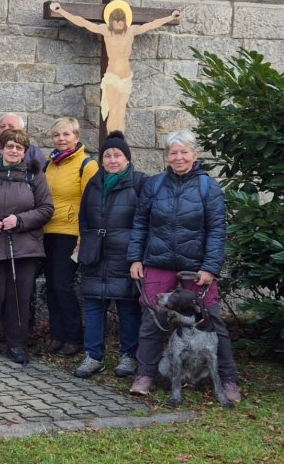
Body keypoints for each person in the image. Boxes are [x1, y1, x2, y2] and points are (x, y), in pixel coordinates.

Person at [127, 130, 241, 403]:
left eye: (183, 152)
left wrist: (210, 268)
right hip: (158, 261)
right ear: (167, 156)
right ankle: (145, 374)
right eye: (173, 153)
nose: (178, 157)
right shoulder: (154, 185)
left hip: (196, 267)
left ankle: (228, 380)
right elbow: (140, 224)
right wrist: (135, 258)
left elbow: (216, 230)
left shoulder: (208, 188)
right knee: (152, 320)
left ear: (195, 155)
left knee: (212, 319)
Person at [0, 128, 54, 365]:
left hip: (24, 247)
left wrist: (21, 220)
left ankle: (16, 344)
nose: (13, 151)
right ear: (1, 148)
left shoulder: (35, 175)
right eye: (9, 146)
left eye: (19, 147)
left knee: (19, 297)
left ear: (24, 152)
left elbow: (46, 208)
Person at [50, 0, 181, 132]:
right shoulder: (105, 30)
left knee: (121, 112)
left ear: (125, 21)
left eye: (121, 21)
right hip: (112, 77)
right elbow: (83, 22)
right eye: (116, 21)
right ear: (111, 21)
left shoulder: (131, 31)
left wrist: (171, 17)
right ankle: (111, 141)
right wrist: (60, 11)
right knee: (113, 111)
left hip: (125, 78)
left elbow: (152, 24)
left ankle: (120, 143)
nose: (119, 24)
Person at [74, 131, 143, 378]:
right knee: (93, 307)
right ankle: (93, 356)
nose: (113, 160)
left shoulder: (138, 182)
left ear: (127, 159)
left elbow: (144, 222)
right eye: (108, 155)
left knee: (127, 308)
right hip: (96, 255)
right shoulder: (93, 184)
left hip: (124, 256)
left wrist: (136, 254)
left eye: (118, 155)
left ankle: (129, 356)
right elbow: (84, 218)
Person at [42, 117, 99, 357]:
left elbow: (91, 204)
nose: (61, 139)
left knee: (63, 285)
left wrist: (82, 237)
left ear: (76, 137)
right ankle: (57, 335)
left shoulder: (87, 165)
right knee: (51, 287)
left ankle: (74, 337)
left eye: (66, 134)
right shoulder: (49, 165)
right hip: (47, 232)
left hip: (70, 234)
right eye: (57, 135)